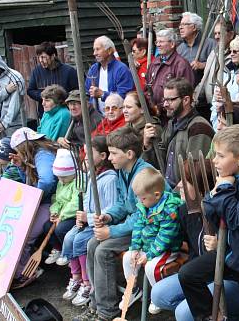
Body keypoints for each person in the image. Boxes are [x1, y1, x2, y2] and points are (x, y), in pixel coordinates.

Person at [178, 125, 239, 321]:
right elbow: (209, 209)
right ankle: (210, 317)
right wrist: (218, 191)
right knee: (188, 274)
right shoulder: (232, 177)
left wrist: (223, 189)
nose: (214, 160)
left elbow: (235, 218)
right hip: (230, 252)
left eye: (221, 156)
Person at [75, 127, 160, 321]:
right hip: (135, 226)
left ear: (129, 154)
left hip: (151, 230)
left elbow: (142, 216)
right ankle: (96, 303)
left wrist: (111, 231)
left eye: (114, 153)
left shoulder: (144, 175)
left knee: (103, 250)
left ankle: (107, 311)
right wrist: (109, 217)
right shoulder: (123, 171)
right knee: (92, 244)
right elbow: (123, 203)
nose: (110, 158)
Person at [149, 157, 239, 320]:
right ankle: (205, 309)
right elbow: (177, 242)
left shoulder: (226, 208)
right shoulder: (185, 210)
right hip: (196, 277)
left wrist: (221, 245)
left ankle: (223, 314)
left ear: (202, 187)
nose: (179, 184)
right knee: (159, 294)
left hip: (228, 278)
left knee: (184, 313)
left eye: (186, 181)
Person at [60, 136, 118, 307]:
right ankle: (76, 277)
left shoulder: (110, 179)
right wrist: (81, 216)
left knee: (79, 240)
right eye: (84, 152)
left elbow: (111, 208)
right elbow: (86, 198)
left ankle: (88, 284)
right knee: (69, 237)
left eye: (89, 153)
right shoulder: (91, 175)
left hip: (101, 224)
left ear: (102, 156)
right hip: (88, 221)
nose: (85, 156)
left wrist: (90, 218)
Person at [120, 167, 183, 308]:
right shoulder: (145, 205)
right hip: (148, 247)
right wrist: (135, 248)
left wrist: (148, 255)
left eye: (142, 198)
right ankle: (132, 289)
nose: (139, 201)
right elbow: (138, 226)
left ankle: (157, 295)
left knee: (150, 267)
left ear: (156, 195)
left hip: (166, 250)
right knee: (128, 257)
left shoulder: (169, 211)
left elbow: (165, 237)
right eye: (138, 197)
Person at [143, 78, 214, 188]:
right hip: (169, 191)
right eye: (164, 100)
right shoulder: (172, 123)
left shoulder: (199, 128)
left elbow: (195, 173)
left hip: (185, 197)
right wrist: (148, 145)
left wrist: (174, 196)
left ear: (186, 100)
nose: (165, 104)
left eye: (170, 100)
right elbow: (159, 161)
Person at [9, 127, 58, 289]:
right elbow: (31, 181)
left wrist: (34, 200)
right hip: (45, 201)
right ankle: (19, 270)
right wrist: (22, 167)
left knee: (26, 234)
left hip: (53, 202)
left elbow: (47, 181)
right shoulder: (36, 156)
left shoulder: (43, 155)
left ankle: (24, 273)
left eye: (18, 150)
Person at [145, 29, 195, 122]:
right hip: (154, 116)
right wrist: (151, 107)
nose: (158, 45)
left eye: (161, 42)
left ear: (172, 44)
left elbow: (185, 93)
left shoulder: (181, 64)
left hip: (174, 117)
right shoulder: (154, 62)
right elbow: (147, 86)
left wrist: (160, 107)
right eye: (157, 42)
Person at [210, 34, 239, 129]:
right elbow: (215, 101)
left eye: (235, 51)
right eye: (230, 51)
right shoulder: (226, 71)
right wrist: (216, 123)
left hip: (238, 124)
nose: (231, 54)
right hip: (221, 122)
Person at [43, 149, 79, 266]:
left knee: (61, 229)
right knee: (47, 226)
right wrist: (54, 212)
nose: (61, 180)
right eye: (59, 177)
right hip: (62, 214)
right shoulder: (61, 182)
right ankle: (59, 249)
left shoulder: (78, 182)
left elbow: (75, 203)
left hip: (73, 215)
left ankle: (68, 253)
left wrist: (62, 216)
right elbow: (57, 200)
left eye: (64, 177)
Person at [195, 19, 236, 121]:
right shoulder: (214, 53)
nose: (217, 36)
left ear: (230, 35)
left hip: (228, 108)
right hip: (213, 107)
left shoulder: (235, 55)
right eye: (215, 33)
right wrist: (194, 95)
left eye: (220, 33)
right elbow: (205, 79)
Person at [27, 41, 79, 118]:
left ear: (53, 56)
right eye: (39, 57)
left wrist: (61, 98)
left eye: (43, 57)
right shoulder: (37, 71)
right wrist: (44, 96)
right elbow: (30, 90)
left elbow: (76, 92)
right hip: (45, 115)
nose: (41, 60)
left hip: (65, 114)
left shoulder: (69, 71)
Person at [86, 36, 134, 113]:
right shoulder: (93, 69)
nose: (94, 53)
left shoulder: (121, 69)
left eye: (98, 49)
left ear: (109, 51)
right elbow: (87, 93)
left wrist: (103, 94)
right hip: (97, 117)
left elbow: (124, 96)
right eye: (94, 50)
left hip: (117, 116)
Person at [177, 12, 217, 82]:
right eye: (180, 24)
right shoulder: (180, 49)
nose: (180, 27)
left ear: (194, 27)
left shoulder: (210, 44)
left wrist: (203, 65)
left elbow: (219, 65)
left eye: (184, 24)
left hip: (206, 88)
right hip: (186, 89)